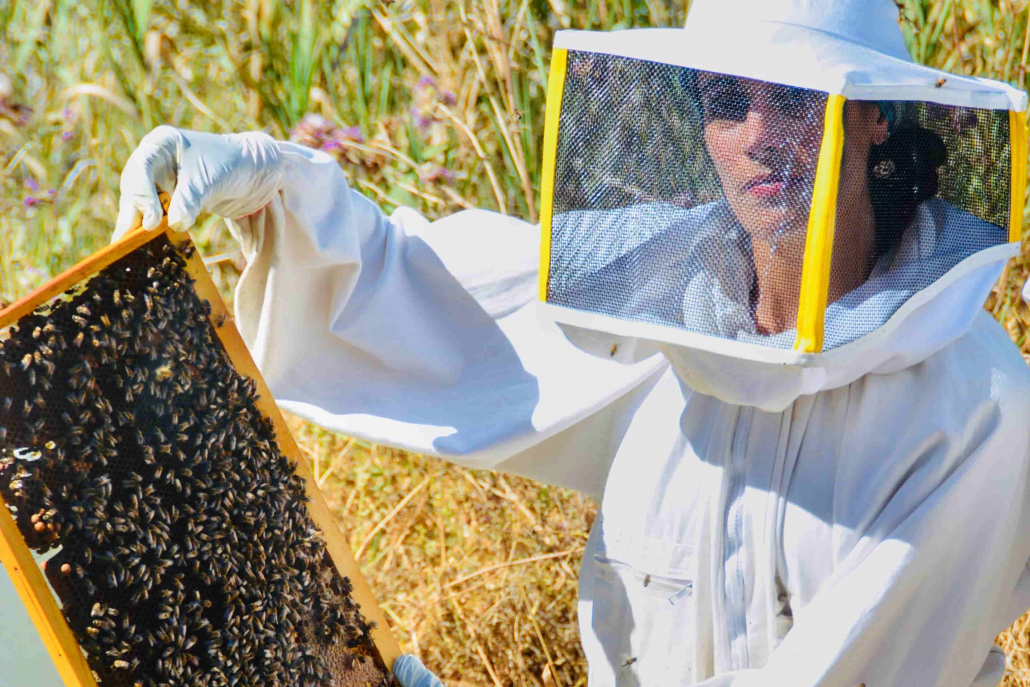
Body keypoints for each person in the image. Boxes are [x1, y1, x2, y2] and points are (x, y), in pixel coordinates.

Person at [1, 1, 1027, 686]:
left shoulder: (976, 417)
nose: (757, 134)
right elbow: (434, 301)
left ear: (881, 121)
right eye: (726, 102)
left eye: (793, 101)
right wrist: (270, 191)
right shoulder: (670, 303)